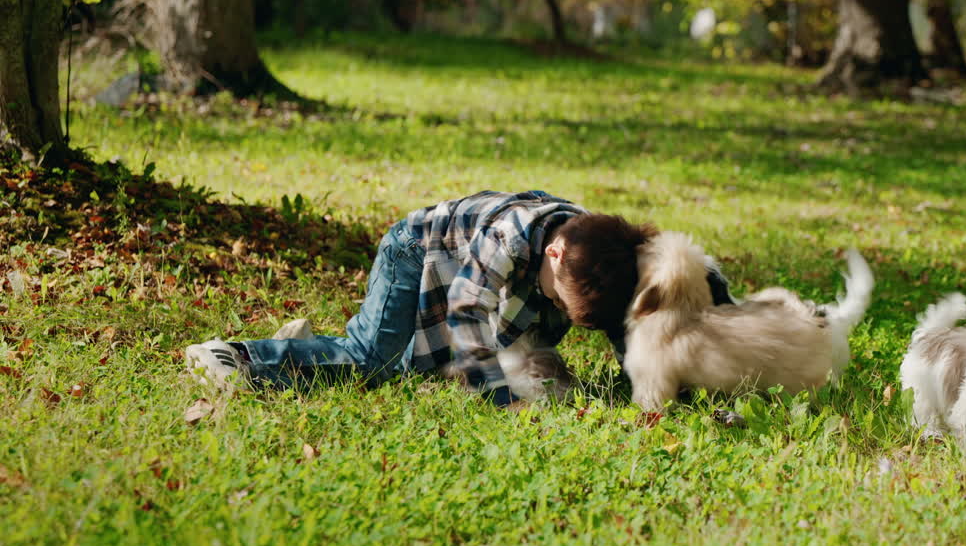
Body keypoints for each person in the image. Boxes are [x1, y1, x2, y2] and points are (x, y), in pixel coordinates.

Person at [185, 190, 669, 405]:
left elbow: (621, 323)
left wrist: (657, 391)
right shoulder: (507, 237)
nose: (561, 312)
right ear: (555, 253)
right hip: (417, 251)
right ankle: (234, 357)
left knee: (443, 366)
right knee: (374, 361)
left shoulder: (601, 253)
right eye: (561, 301)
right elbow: (466, 310)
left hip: (497, 278)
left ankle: (305, 344)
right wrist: (502, 400)